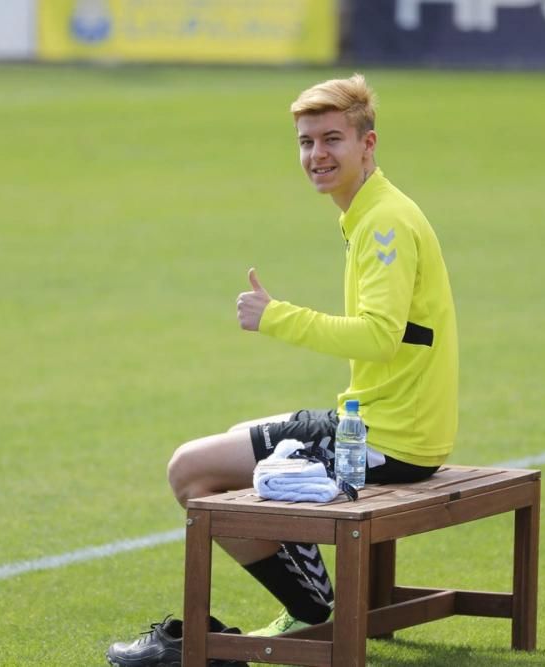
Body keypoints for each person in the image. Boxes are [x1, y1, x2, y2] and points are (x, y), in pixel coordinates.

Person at [106, 73, 458, 667]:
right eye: (305, 142)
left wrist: (275, 316)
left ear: (367, 146)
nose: (316, 155)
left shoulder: (383, 222)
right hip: (386, 427)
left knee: (190, 472)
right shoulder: (373, 209)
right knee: (234, 440)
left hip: (385, 441)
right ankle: (306, 598)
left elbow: (379, 336)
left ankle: (308, 606)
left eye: (331, 140)